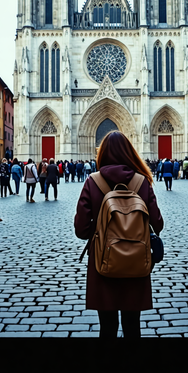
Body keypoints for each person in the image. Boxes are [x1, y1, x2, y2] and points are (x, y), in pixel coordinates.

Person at [74, 131, 164, 338]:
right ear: (129, 152)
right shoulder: (142, 182)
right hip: (135, 260)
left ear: (102, 153)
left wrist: (99, 232)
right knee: (133, 326)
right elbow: (157, 223)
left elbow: (80, 229)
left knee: (107, 328)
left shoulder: (92, 181)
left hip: (102, 261)